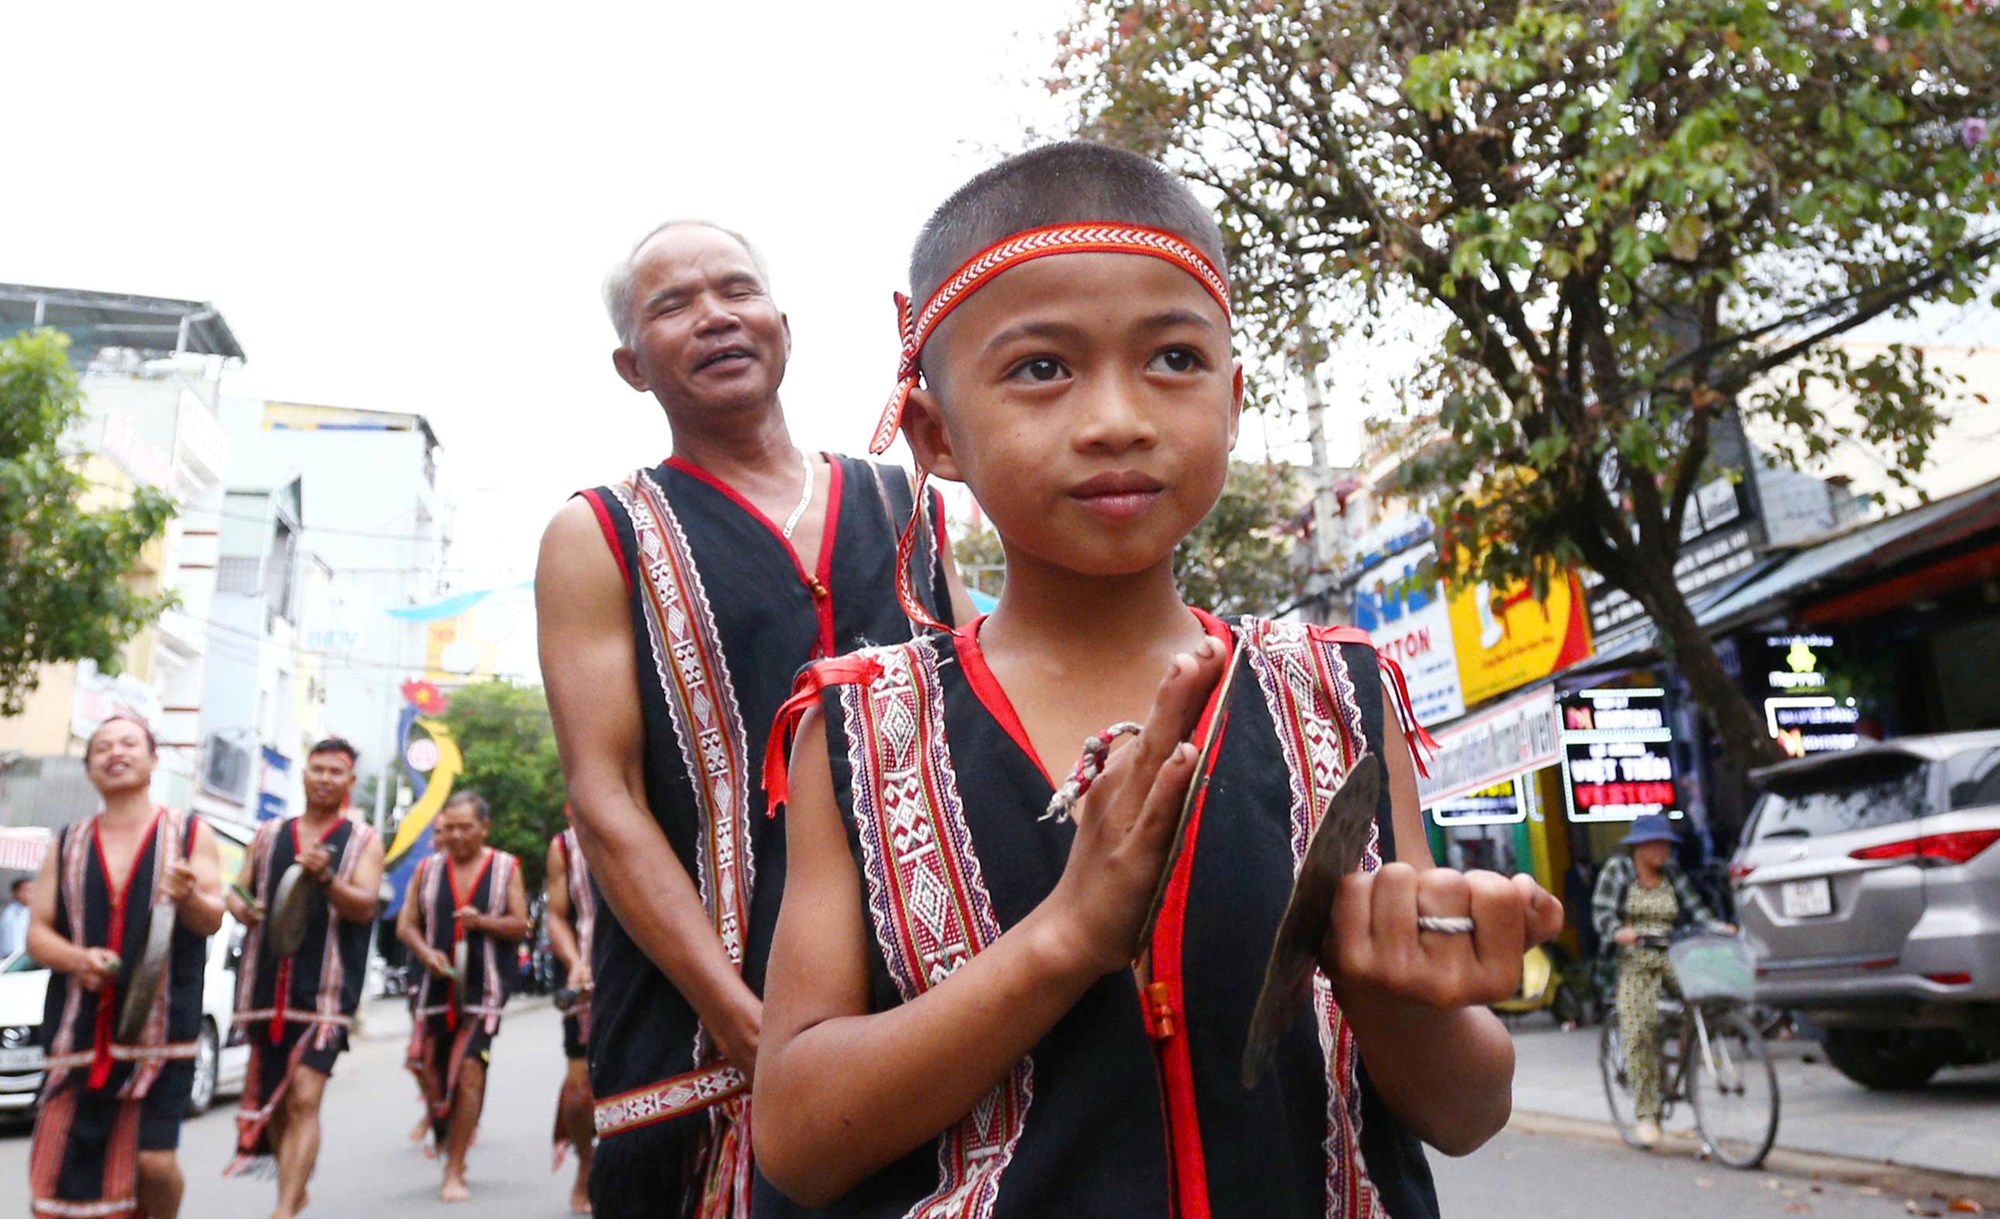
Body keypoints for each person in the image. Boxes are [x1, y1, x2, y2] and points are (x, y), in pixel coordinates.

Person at [752, 142, 1565, 1218]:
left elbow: (1464, 1113)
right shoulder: (858, 728)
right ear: (934, 433)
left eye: (1172, 359)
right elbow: (797, 1140)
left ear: (1231, 400)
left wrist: (1390, 988)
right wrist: (1065, 938)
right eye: (1041, 367)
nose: (1117, 419)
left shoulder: (1336, 697)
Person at [535, 219, 974, 1218]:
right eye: (672, 305)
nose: (713, 316)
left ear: (782, 322)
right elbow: (602, 797)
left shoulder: (912, 503)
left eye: (734, 289)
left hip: (925, 1006)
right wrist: (740, 1019)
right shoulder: (599, 531)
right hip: (697, 1033)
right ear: (630, 364)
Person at [26, 714, 224, 1219]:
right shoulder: (67, 841)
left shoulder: (189, 834)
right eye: (103, 747)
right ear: (90, 767)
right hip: (79, 1034)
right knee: (64, 1176)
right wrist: (78, 958)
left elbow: (212, 919)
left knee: (154, 1164)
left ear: (153, 760)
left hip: (164, 1033)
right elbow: (38, 933)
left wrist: (189, 899)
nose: (116, 752)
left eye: (129, 743)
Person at [223, 737, 386, 1217]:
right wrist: (243, 908)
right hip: (263, 988)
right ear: (304, 774)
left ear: (349, 782)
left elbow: (366, 906)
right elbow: (237, 890)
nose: (324, 779)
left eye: (335, 772)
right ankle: (290, 1191)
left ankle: (285, 1209)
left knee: (304, 1097)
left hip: (326, 994)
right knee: (277, 1100)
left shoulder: (364, 841)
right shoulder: (269, 834)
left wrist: (328, 880)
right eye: (317, 769)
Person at [395, 791, 529, 1203]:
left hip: (484, 990)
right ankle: (446, 1132)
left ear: (483, 827)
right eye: (448, 827)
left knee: (470, 1071)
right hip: (435, 989)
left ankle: (454, 1169)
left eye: (464, 827)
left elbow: (521, 924)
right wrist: (425, 953)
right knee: (433, 1076)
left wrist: (483, 922)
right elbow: (406, 926)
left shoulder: (505, 867)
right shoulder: (427, 869)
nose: (455, 835)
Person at [1591, 813, 1733, 1148]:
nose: (1662, 851)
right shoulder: (1618, 872)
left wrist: (1718, 927)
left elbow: (1696, 911)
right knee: (1639, 1032)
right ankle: (1647, 1114)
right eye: (1655, 844)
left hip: (1671, 954)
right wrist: (1619, 932)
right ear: (1639, 847)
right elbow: (1601, 914)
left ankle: (1696, 1049)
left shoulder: (1672, 875)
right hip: (1634, 960)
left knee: (1704, 995)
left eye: (1666, 844)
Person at [545, 818, 597, 1214]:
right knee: (579, 1098)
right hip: (586, 988)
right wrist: (575, 961)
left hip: (647, 982)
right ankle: (585, 1160)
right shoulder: (564, 846)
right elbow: (557, 914)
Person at [1, 877, 31, 959]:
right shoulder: (13, 915)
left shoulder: (28, 911)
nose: (31, 895)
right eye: (27, 891)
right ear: (16, 893)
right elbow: (14, 950)